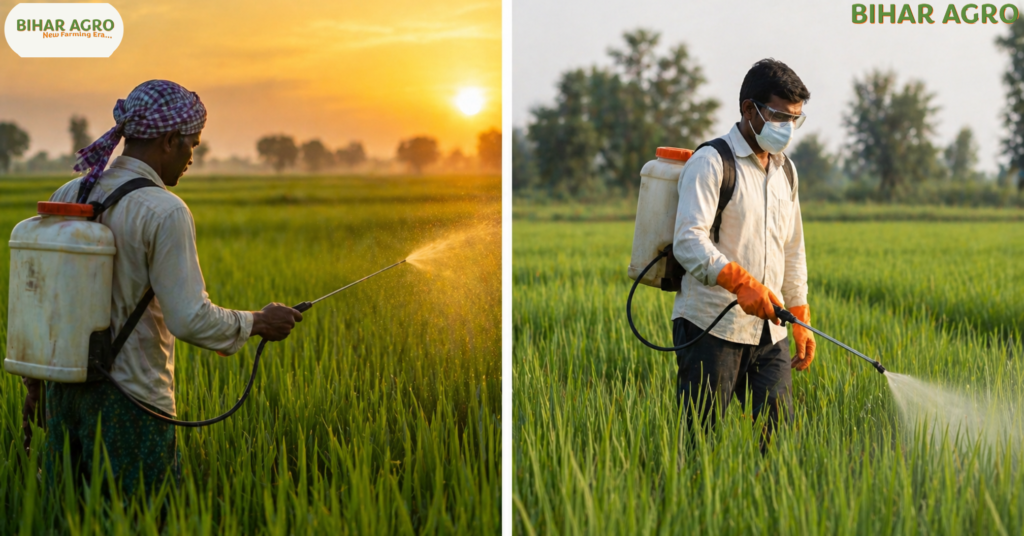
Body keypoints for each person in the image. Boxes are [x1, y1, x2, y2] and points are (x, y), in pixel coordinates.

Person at [20, 79, 302, 492]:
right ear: (170, 140)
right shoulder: (164, 210)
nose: (193, 157)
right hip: (135, 402)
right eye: (193, 144)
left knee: (69, 515)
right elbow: (189, 319)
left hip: (63, 394)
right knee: (143, 518)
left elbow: (43, 301)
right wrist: (258, 322)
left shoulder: (70, 191)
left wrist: (35, 384)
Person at [672, 59, 816, 450]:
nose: (786, 128)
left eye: (794, 119)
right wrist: (740, 282)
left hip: (771, 330)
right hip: (710, 329)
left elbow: (792, 246)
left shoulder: (786, 170)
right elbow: (688, 239)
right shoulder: (712, 161)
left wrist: (799, 313)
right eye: (778, 116)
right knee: (702, 442)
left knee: (778, 441)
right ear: (748, 109)